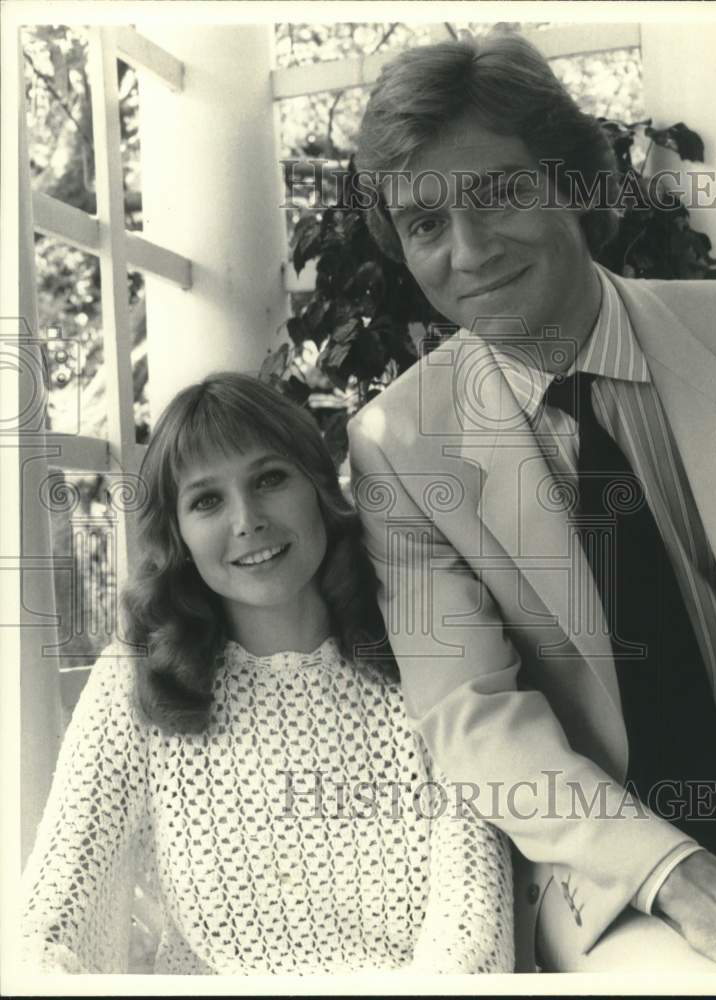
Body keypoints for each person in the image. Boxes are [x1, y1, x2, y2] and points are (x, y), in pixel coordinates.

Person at [347, 35, 716, 973]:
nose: (470, 251)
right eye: (425, 225)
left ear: (575, 184)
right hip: (621, 861)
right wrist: (678, 872)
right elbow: (471, 717)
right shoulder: (397, 449)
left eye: (497, 195)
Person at [21, 372, 514, 975]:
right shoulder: (135, 679)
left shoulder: (424, 651)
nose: (247, 519)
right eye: (207, 500)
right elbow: (58, 904)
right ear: (177, 534)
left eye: (269, 479)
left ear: (317, 486)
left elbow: (473, 924)